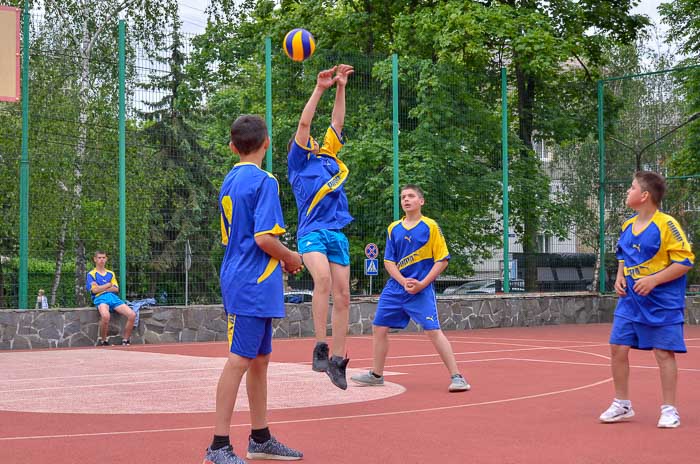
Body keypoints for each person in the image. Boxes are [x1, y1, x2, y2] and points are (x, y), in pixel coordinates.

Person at [203, 115, 304, 464]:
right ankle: (218, 446)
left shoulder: (230, 179)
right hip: (253, 280)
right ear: (268, 143)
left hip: (243, 276)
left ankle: (260, 438)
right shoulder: (264, 181)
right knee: (239, 360)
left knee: (259, 359)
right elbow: (264, 238)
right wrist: (291, 256)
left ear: (232, 147)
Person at [351, 185, 471, 392]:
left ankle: (457, 377)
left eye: (411, 196)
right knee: (379, 327)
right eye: (403, 197)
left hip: (421, 289)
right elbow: (389, 261)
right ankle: (376, 374)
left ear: (421, 201)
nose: (406, 200)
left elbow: (442, 260)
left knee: (433, 331)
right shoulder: (393, 228)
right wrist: (402, 280)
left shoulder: (430, 226)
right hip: (395, 288)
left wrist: (422, 284)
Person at [599, 171, 694, 428]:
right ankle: (622, 404)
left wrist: (654, 280)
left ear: (644, 196)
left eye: (631, 188)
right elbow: (623, 254)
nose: (627, 192)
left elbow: (685, 261)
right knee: (617, 348)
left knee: (663, 353)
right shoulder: (627, 225)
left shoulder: (667, 224)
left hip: (662, 301)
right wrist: (620, 276)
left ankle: (669, 410)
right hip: (631, 300)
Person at [287, 64, 354, 389]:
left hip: (336, 233)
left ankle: (338, 361)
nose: (312, 137)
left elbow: (337, 121)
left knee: (343, 297)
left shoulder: (328, 157)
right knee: (323, 281)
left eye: (314, 137)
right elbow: (304, 122)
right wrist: (320, 89)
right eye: (307, 138)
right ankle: (320, 347)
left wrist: (341, 86)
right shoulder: (299, 165)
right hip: (312, 232)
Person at [86, 251, 136, 346]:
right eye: (99, 258)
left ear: (106, 259)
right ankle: (103, 341)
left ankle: (126, 340)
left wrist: (101, 287)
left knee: (132, 315)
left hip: (113, 298)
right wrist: (108, 285)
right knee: (105, 316)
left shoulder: (111, 273)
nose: (101, 260)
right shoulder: (91, 274)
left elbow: (116, 289)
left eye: (103, 257)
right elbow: (94, 291)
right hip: (100, 298)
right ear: (95, 259)